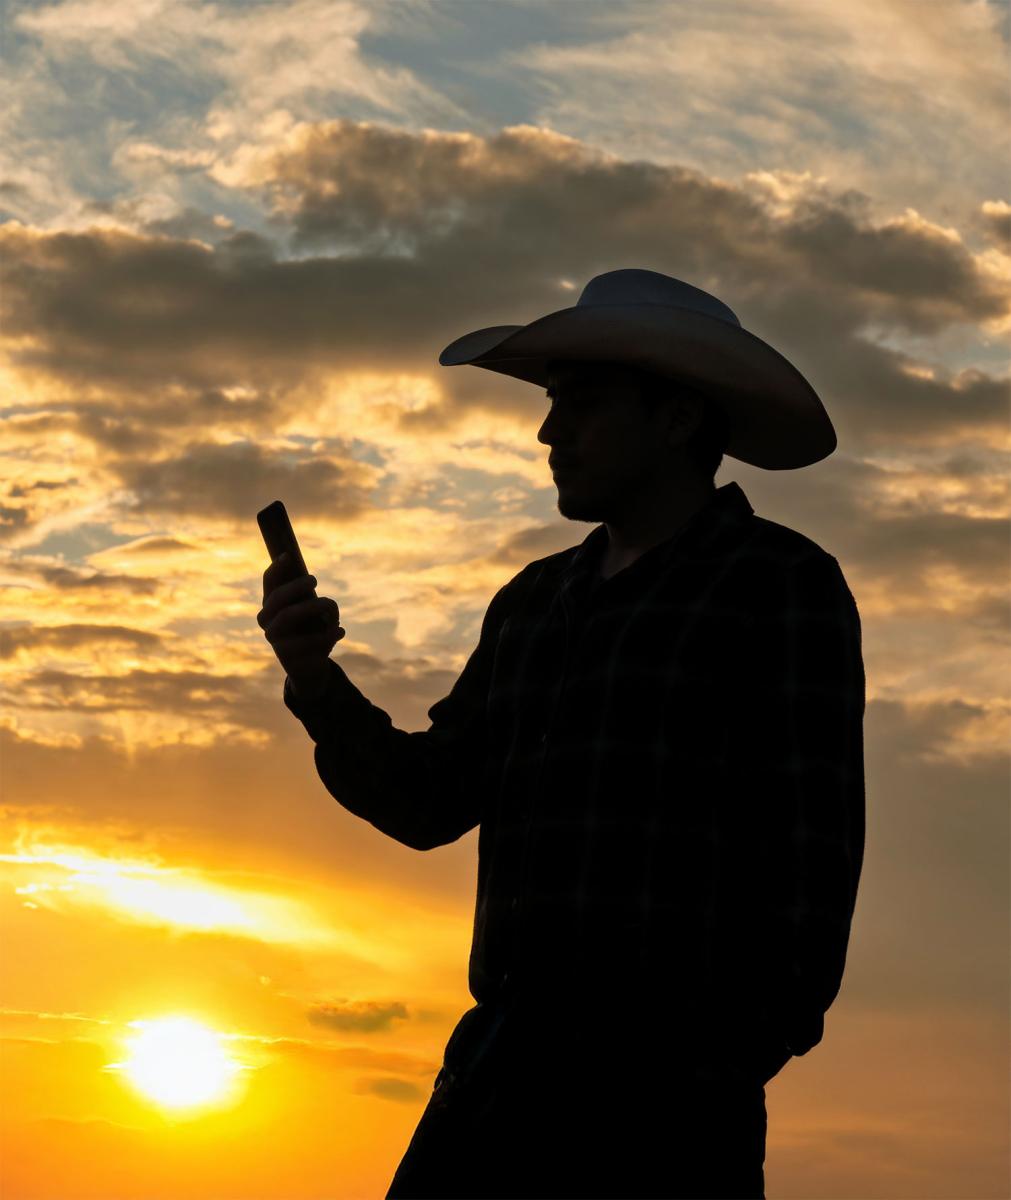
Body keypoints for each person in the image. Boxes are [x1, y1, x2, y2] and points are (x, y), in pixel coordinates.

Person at [256, 269, 866, 1199]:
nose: (548, 433)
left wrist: (733, 1051)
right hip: (500, 1071)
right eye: (552, 405)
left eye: (581, 405)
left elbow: (809, 853)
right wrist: (311, 672)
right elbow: (425, 802)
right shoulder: (534, 603)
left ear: (676, 420)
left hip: (670, 1098)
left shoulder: (777, 585)